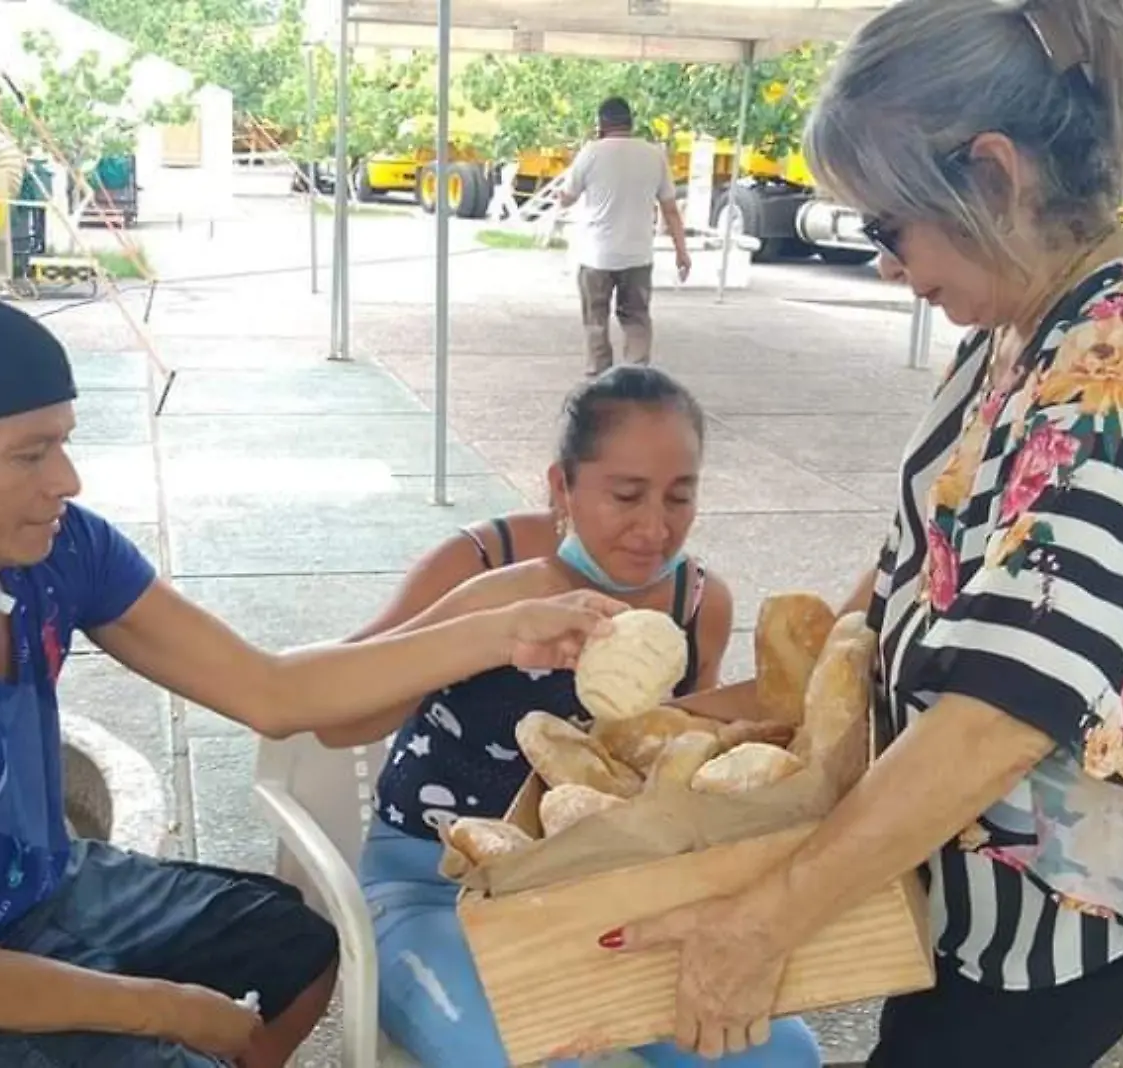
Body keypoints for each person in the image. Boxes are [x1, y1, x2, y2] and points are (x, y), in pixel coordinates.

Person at [596, 3, 1123, 1067]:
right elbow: (921, 557)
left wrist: (764, 920)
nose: (885, 263)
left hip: (1086, 878)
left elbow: (1008, 703)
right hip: (1002, 843)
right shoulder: (1032, 313)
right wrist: (760, 717)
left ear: (989, 174)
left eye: (887, 226)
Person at [0, 289, 626, 1067]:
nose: (67, 480)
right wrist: (161, 1008)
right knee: (177, 1037)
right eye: (30, 453)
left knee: (303, 950)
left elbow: (272, 691)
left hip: (36, 889)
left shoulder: (56, 550)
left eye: (66, 444)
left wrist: (503, 632)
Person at [316, 366, 824, 1068]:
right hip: (432, 891)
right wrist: (480, 625)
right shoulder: (478, 567)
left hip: (603, 894)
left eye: (680, 497)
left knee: (777, 1057)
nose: (655, 528)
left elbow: (666, 762)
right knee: (516, 1054)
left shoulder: (699, 602)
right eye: (626, 495)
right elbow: (334, 721)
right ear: (561, 486)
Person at [558, 97, 694, 377]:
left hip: (596, 256)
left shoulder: (590, 152)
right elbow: (670, 209)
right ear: (630, 122)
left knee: (595, 320)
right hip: (638, 255)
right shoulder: (653, 154)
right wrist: (682, 252)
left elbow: (566, 199)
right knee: (636, 319)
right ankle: (635, 377)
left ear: (601, 124)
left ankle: (599, 378)